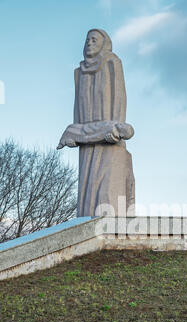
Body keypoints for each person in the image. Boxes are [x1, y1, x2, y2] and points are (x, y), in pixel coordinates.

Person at [58, 29, 135, 216]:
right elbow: (78, 106)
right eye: (87, 40)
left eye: (94, 40)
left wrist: (114, 129)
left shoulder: (112, 63)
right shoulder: (79, 72)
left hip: (108, 133)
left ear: (103, 43)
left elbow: (119, 100)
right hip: (86, 137)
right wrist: (79, 131)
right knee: (87, 188)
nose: (89, 43)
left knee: (106, 190)